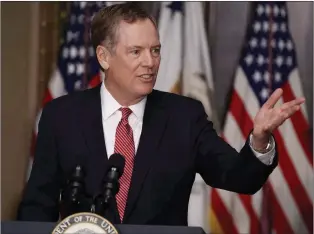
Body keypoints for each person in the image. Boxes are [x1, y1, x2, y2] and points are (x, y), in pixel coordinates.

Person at [17, 3, 305, 226]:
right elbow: (36, 206)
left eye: (155, 50)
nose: (150, 63)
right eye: (136, 52)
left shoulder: (184, 116)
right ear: (104, 57)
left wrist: (259, 141)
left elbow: (239, 177)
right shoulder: (62, 116)